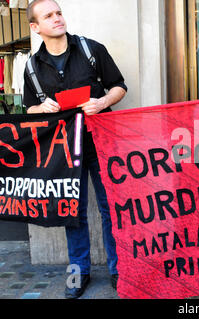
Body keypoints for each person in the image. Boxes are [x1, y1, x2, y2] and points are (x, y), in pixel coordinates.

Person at [24, 0, 127, 299]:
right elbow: (29, 107)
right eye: (48, 16)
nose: (57, 19)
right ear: (35, 27)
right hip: (64, 150)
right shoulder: (31, 66)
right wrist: (40, 107)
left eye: (59, 13)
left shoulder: (91, 50)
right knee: (73, 212)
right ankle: (77, 272)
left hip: (103, 142)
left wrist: (103, 102)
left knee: (111, 209)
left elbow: (119, 86)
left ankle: (118, 269)